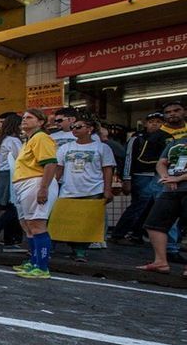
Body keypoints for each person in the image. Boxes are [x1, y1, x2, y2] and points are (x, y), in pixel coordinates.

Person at [55, 118, 115, 263]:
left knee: (86, 223)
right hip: (68, 190)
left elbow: (107, 169)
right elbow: (59, 169)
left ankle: (80, 252)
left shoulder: (102, 148)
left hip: (93, 189)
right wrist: (51, 186)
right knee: (68, 221)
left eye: (79, 127)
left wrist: (107, 189)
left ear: (90, 129)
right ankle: (69, 247)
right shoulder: (65, 148)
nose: (74, 129)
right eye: (73, 127)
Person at [12, 109, 60, 279]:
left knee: (38, 226)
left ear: (40, 122)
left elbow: (50, 164)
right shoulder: (29, 140)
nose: (25, 120)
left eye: (29, 117)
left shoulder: (41, 138)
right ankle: (33, 262)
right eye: (24, 118)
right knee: (29, 226)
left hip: (36, 183)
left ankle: (42, 266)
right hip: (25, 184)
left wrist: (43, 188)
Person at [139, 129, 187, 275]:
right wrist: (166, 176)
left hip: (181, 185)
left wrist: (178, 179)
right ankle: (161, 262)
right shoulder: (176, 142)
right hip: (170, 189)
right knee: (154, 224)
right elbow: (161, 162)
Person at [113, 112, 165, 243]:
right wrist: (127, 179)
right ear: (146, 123)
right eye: (152, 121)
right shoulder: (137, 138)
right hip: (140, 176)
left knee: (151, 207)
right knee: (139, 205)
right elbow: (128, 159)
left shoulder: (166, 138)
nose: (155, 124)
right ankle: (119, 234)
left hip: (159, 176)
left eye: (158, 122)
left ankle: (137, 234)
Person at [0, 112, 25, 253]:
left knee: (3, 208)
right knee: (11, 208)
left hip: (1, 175)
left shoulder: (2, 139)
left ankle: (6, 239)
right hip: (9, 174)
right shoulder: (13, 141)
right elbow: (19, 159)